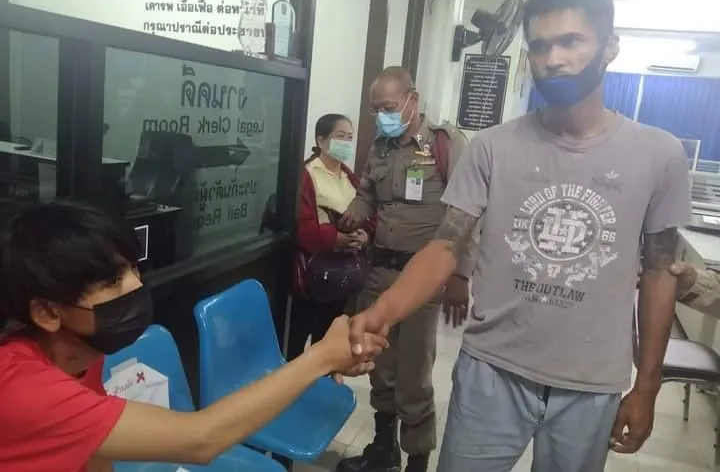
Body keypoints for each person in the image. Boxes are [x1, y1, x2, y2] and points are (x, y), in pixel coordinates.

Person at [348, 0, 691, 472]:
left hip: (591, 382)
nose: (554, 59)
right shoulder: (492, 148)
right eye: (541, 46)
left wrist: (648, 385)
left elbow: (660, 273)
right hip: (492, 370)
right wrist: (381, 312)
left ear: (610, 46)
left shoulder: (659, 155)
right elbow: (445, 245)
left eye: (571, 41)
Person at [0, 201, 386, 472]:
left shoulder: (79, 353)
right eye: (112, 281)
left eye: (134, 269)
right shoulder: (23, 389)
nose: (136, 285)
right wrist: (322, 357)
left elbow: (93, 452)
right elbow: (200, 440)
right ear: (47, 313)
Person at [336, 66, 476, 472]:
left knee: (413, 374)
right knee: (380, 367)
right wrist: (355, 211)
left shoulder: (445, 144)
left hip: (423, 278)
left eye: (389, 107)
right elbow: (368, 194)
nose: (382, 115)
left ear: (412, 100)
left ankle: (417, 460)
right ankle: (383, 449)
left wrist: (460, 275)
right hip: (379, 270)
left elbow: (469, 214)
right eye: (375, 109)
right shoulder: (380, 147)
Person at [287, 114, 372, 360]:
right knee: (297, 341)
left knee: (330, 338)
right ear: (321, 140)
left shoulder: (349, 177)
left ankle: (325, 377)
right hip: (314, 273)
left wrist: (364, 235)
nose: (346, 142)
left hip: (344, 274)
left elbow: (368, 213)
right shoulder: (307, 174)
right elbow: (303, 227)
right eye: (340, 136)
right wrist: (338, 239)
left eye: (350, 137)